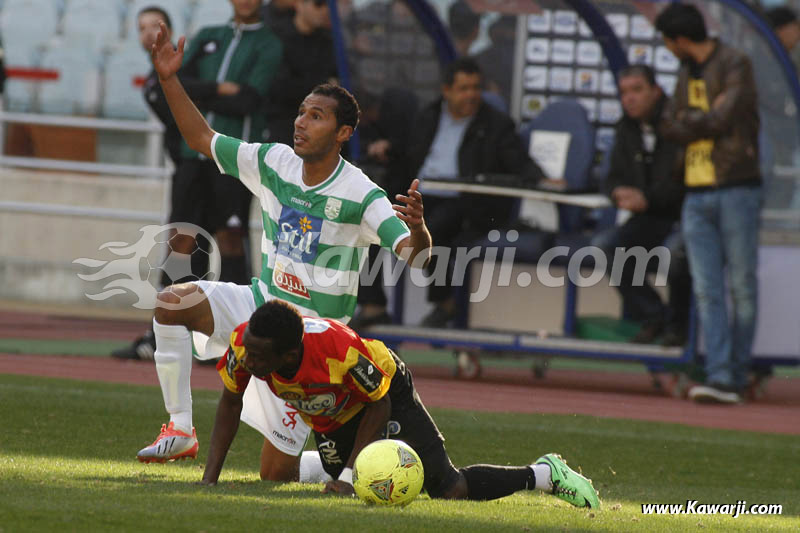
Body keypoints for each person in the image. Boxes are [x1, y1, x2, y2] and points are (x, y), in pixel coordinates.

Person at [135, 22, 432, 481]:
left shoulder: (363, 194)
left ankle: (339, 469)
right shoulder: (274, 162)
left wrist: (419, 231)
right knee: (173, 302)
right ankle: (179, 428)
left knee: (275, 477)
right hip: (262, 306)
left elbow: (414, 255)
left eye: (316, 116)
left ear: (343, 133)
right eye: (301, 112)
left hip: (310, 340)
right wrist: (169, 79)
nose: (301, 121)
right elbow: (201, 139)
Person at [202, 299, 601, 509]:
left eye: (258, 356)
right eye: (248, 351)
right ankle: (335, 469)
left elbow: (378, 405)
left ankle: (544, 475)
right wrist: (210, 480)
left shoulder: (340, 353)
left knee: (449, 489)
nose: (248, 361)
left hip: (385, 392)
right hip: (333, 413)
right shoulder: (245, 342)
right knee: (360, 483)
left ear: (290, 355)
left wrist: (344, 476)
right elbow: (228, 402)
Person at [112, 0, 283, 360]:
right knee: (180, 242)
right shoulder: (209, 35)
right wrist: (221, 89)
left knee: (230, 241)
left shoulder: (269, 43)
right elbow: (175, 79)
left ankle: (243, 342)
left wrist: (200, 93)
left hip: (233, 159)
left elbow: (248, 101)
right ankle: (161, 336)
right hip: (193, 158)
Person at [656, 3, 761, 404]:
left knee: (742, 286)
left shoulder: (736, 62)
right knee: (707, 289)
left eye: (668, 42)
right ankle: (720, 375)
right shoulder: (686, 71)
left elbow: (723, 119)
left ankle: (735, 372)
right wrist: (693, 119)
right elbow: (668, 123)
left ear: (679, 40)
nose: (668, 49)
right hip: (696, 192)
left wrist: (688, 119)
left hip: (737, 186)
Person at [408, 57, 545, 327]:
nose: (471, 95)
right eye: (463, 88)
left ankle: (444, 304)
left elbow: (516, 159)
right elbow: (406, 156)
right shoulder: (428, 116)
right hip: (421, 195)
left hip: (465, 201)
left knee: (433, 230)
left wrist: (541, 178)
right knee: (374, 227)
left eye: (475, 88)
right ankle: (374, 306)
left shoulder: (496, 124)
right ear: (446, 91)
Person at [594, 64, 689, 346]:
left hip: (685, 215)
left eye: (637, 90)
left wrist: (646, 199)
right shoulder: (626, 127)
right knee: (605, 246)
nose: (629, 99)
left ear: (656, 91)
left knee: (676, 254)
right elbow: (611, 176)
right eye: (624, 93)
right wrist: (617, 192)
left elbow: (683, 180)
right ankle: (655, 317)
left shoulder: (678, 124)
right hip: (650, 217)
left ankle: (679, 326)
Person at [264, 0, 337, 145]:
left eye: (328, 5)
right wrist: (324, 84)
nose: (325, 10)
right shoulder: (276, 37)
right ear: (299, 4)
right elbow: (279, 86)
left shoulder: (328, 41)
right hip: (280, 125)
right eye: (318, 4)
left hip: (318, 126)